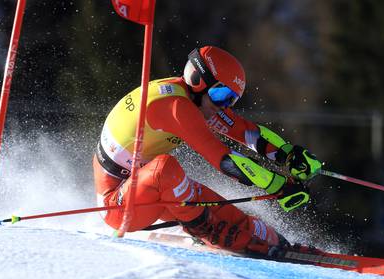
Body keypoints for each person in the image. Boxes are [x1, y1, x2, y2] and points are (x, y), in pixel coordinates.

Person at [93, 46, 322, 259]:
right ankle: (208, 232)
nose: (224, 105)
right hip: (119, 205)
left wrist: (286, 154)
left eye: (231, 99)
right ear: (198, 80)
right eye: (221, 95)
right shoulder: (176, 107)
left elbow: (246, 132)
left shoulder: (199, 101)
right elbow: (224, 159)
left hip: (150, 189)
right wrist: (278, 185)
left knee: (215, 205)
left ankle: (275, 244)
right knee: (166, 168)